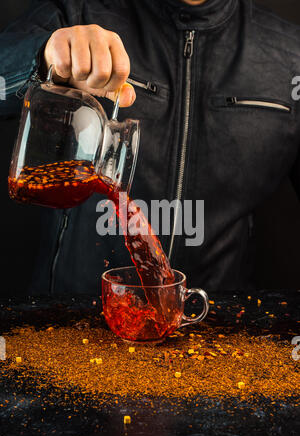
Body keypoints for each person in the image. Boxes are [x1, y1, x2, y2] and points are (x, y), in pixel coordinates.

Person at [1, 0, 300, 294]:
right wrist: (40, 57)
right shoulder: (79, 11)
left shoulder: (289, 56)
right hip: (70, 316)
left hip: (214, 318)